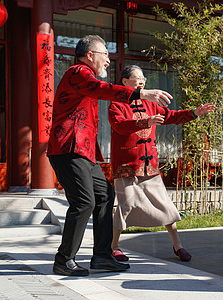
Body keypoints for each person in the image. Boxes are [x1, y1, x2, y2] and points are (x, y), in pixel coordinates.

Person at [47, 35, 173, 276]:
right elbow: (101, 89)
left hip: (83, 151)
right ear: (90, 55)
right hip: (68, 149)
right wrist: (141, 94)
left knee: (105, 195)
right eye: (105, 54)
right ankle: (64, 259)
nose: (108, 60)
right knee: (84, 201)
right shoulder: (78, 72)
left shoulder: (87, 76)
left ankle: (102, 256)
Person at [108, 65, 215, 262]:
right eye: (137, 77)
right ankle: (114, 246)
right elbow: (119, 126)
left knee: (165, 206)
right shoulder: (117, 104)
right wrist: (146, 122)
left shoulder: (150, 104)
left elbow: (171, 116)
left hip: (150, 166)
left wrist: (194, 113)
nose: (142, 81)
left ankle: (178, 246)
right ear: (124, 82)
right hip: (127, 166)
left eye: (143, 78)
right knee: (126, 205)